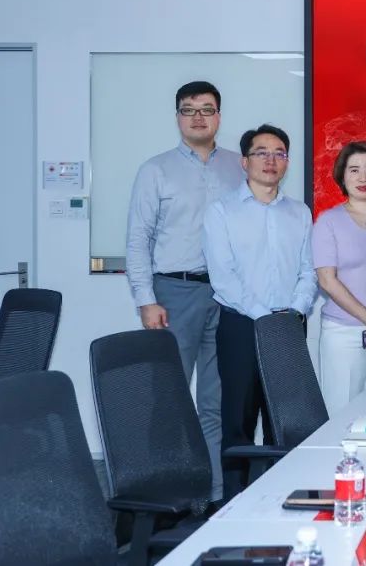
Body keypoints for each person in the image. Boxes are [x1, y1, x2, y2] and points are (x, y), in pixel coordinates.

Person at [125, 80, 243, 504]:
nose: (198, 117)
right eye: (189, 109)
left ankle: (213, 495)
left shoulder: (238, 167)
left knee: (217, 400)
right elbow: (138, 239)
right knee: (169, 397)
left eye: (206, 109)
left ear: (218, 117)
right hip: (174, 293)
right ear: (177, 117)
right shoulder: (155, 170)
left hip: (227, 296)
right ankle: (164, 496)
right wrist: (146, 299)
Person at [203, 124, 315, 501]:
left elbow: (308, 270)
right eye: (261, 152)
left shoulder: (299, 213)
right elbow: (223, 278)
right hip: (241, 326)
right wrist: (264, 316)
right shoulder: (221, 212)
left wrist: (295, 311)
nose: (271, 160)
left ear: (286, 162)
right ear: (244, 161)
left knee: (286, 422)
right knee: (238, 420)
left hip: (288, 326)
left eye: (279, 153)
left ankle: (281, 500)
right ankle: (233, 505)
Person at [312, 141, 366, 417]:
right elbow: (327, 280)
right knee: (341, 414)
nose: (363, 177)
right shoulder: (328, 221)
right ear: (342, 176)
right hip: (343, 333)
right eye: (354, 170)